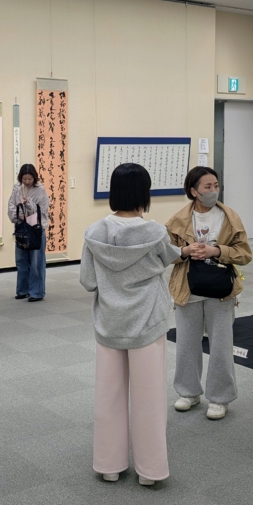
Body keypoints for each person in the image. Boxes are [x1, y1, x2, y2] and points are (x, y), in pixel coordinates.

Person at [80, 163, 180, 486]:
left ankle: (109, 465)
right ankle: (150, 471)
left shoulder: (94, 233)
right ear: (143, 194)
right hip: (148, 321)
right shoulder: (155, 232)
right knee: (149, 398)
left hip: (109, 322)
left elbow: (88, 281)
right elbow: (169, 257)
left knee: (109, 395)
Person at [165, 166, 252, 421]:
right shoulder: (177, 220)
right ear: (194, 191)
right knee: (186, 344)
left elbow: (245, 254)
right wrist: (185, 251)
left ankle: (220, 397)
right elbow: (165, 253)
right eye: (207, 186)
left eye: (216, 185)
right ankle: (188, 392)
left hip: (220, 289)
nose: (214, 190)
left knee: (221, 346)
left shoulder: (229, 217)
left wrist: (218, 251)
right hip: (187, 287)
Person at [7, 164, 49, 302]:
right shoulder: (17, 188)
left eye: (29, 179)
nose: (27, 181)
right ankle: (22, 290)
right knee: (21, 260)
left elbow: (42, 209)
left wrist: (28, 204)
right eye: (24, 179)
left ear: (34, 178)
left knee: (36, 262)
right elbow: (11, 205)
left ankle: (36, 292)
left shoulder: (40, 190)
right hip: (21, 228)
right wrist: (17, 214)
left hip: (36, 229)